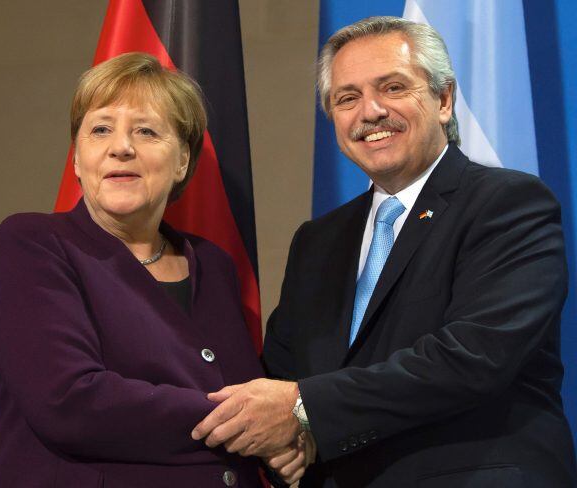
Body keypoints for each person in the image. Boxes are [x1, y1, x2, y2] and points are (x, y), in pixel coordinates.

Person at [192, 16, 577, 486]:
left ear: (443, 99)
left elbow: (474, 357)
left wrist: (303, 410)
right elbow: (283, 367)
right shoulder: (318, 241)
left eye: (392, 87)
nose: (370, 112)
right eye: (347, 98)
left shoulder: (508, 204)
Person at [0, 52, 266, 487]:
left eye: (146, 131)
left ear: (183, 162)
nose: (121, 147)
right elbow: (69, 404)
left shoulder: (214, 265)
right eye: (100, 130)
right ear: (77, 159)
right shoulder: (35, 244)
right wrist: (257, 424)